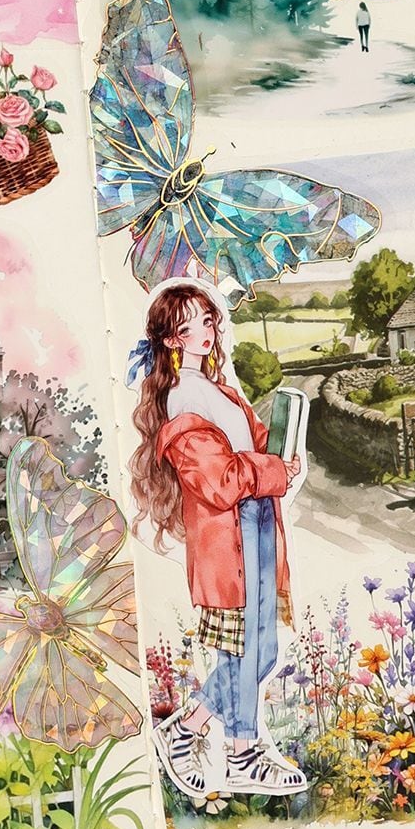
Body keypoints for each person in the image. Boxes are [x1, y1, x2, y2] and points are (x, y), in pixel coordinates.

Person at [128, 282, 308, 799]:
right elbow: (217, 480)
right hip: (227, 539)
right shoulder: (181, 397)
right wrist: (270, 469)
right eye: (189, 326)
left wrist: (282, 453)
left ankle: (185, 729)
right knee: (246, 650)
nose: (204, 333)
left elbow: (251, 447)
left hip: (258, 523)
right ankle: (241, 754)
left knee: (262, 649)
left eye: (207, 321)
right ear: (170, 339)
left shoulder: (220, 389)